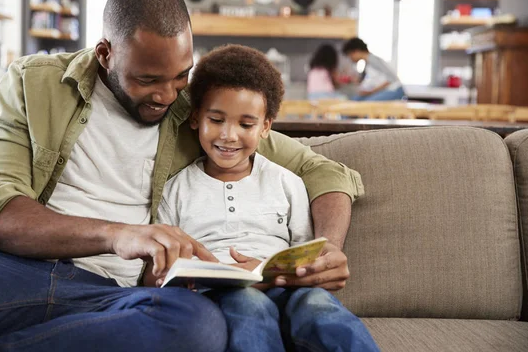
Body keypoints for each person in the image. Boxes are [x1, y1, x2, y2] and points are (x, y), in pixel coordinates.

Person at [0, 0, 363, 350]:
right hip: (8, 270)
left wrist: (329, 248)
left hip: (117, 296)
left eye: (180, 76)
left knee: (199, 328)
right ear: (106, 54)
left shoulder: (198, 113)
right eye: (148, 80)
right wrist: (118, 235)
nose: (168, 96)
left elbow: (324, 172)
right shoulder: (34, 82)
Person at [152, 45, 379, 352]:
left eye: (246, 125)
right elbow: (164, 266)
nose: (229, 136)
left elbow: (305, 253)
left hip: (286, 287)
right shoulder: (176, 189)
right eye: (216, 120)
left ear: (265, 127)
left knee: (319, 306)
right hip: (220, 293)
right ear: (195, 118)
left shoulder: (286, 182)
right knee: (247, 305)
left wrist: (274, 274)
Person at [342, 37, 406, 101]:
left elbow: (392, 78)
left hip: (394, 90)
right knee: (355, 99)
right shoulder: (367, 63)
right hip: (383, 90)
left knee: (368, 104)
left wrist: (371, 92)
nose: (350, 58)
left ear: (356, 51)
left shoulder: (373, 59)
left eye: (350, 55)